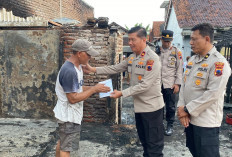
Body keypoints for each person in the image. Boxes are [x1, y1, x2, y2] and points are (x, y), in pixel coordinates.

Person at [84, 26, 165, 157]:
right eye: (129, 39)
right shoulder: (133, 57)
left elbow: (145, 85)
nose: (130, 43)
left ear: (144, 40)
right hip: (140, 109)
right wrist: (93, 69)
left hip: (152, 110)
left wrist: (122, 93)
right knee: (145, 144)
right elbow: (115, 68)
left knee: (154, 148)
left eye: (133, 40)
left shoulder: (152, 59)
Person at [177, 23, 231, 157]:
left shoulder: (219, 63)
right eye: (190, 39)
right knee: (194, 150)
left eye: (194, 39)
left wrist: (186, 110)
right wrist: (181, 107)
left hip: (206, 123)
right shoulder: (193, 60)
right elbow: (184, 86)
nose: (191, 42)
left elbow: (213, 94)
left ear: (207, 39)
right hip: (189, 119)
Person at [53, 39, 110, 157]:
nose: (90, 57)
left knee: (63, 142)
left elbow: (77, 88)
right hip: (68, 116)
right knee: (66, 148)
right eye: (88, 54)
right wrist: (94, 89)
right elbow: (72, 98)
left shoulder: (77, 67)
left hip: (70, 114)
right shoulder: (69, 71)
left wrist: (95, 87)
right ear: (79, 53)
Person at [159, 30, 183, 136]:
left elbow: (179, 69)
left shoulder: (176, 52)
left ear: (172, 40)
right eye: (165, 41)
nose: (167, 43)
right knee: (158, 106)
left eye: (169, 41)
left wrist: (177, 83)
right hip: (157, 84)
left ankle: (170, 125)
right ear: (161, 39)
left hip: (170, 84)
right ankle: (159, 125)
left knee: (170, 106)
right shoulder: (156, 51)